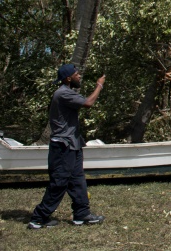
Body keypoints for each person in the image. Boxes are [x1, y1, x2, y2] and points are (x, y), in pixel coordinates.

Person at [27, 64, 106, 229]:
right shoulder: (63, 93)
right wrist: (99, 85)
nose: (79, 77)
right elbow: (88, 103)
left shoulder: (68, 92)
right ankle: (38, 218)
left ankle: (82, 214)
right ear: (68, 78)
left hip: (73, 144)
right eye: (77, 74)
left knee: (77, 181)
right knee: (59, 183)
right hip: (63, 147)